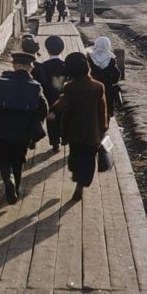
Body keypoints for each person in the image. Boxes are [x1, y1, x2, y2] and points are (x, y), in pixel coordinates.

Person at [0, 52, 48, 204]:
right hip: (22, 130)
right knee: (18, 159)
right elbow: (44, 108)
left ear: (14, 66)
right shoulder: (36, 86)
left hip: (1, 129)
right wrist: (35, 122)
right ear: (30, 68)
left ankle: (8, 179)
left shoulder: (1, 81)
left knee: (3, 157)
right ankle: (17, 186)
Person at [48, 52, 108, 201]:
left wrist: (53, 111)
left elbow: (63, 102)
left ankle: (76, 174)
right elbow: (102, 110)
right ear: (87, 68)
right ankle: (81, 184)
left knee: (75, 154)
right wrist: (103, 129)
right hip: (91, 130)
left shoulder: (70, 87)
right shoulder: (98, 87)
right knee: (88, 158)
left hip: (73, 129)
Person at [41, 35, 66, 152]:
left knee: (52, 122)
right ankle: (65, 138)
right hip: (64, 99)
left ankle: (55, 143)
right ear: (62, 49)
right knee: (64, 119)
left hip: (49, 99)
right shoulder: (66, 65)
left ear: (47, 49)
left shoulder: (43, 66)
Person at [86, 36, 121, 121]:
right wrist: (111, 81)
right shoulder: (111, 59)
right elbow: (116, 74)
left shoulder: (90, 57)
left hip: (92, 85)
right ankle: (105, 126)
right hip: (107, 87)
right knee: (107, 107)